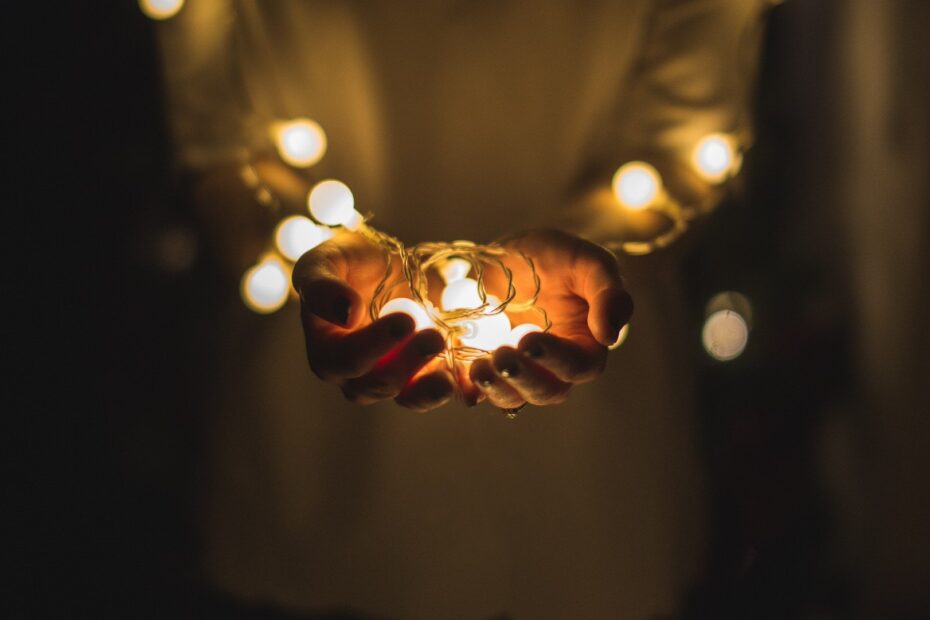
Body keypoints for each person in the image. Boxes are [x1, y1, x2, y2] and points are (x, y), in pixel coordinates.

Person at [157, 1, 771, 617]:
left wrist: (592, 263)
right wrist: (290, 252)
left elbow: (687, 146)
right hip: (318, 472)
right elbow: (216, 144)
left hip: (588, 477)